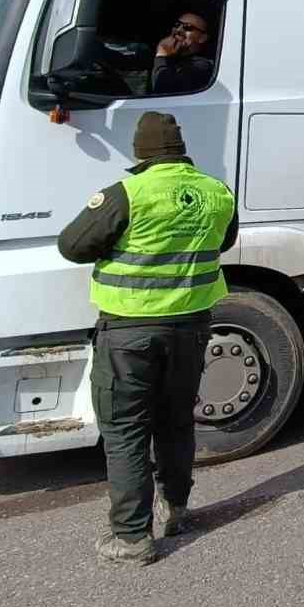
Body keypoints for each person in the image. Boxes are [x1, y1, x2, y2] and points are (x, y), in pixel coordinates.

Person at [56, 111, 238, 565]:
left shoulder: (128, 193)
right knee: (176, 421)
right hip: (191, 327)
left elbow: (72, 245)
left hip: (130, 331)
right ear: (180, 148)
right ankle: (176, 509)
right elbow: (225, 240)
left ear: (141, 151)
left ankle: (132, 536)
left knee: (126, 431)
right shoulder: (216, 192)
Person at [150, 10, 215, 95]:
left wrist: (162, 55)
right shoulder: (172, 60)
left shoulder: (202, 66)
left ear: (202, 38)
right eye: (177, 25)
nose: (178, 30)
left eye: (188, 27)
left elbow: (162, 90)